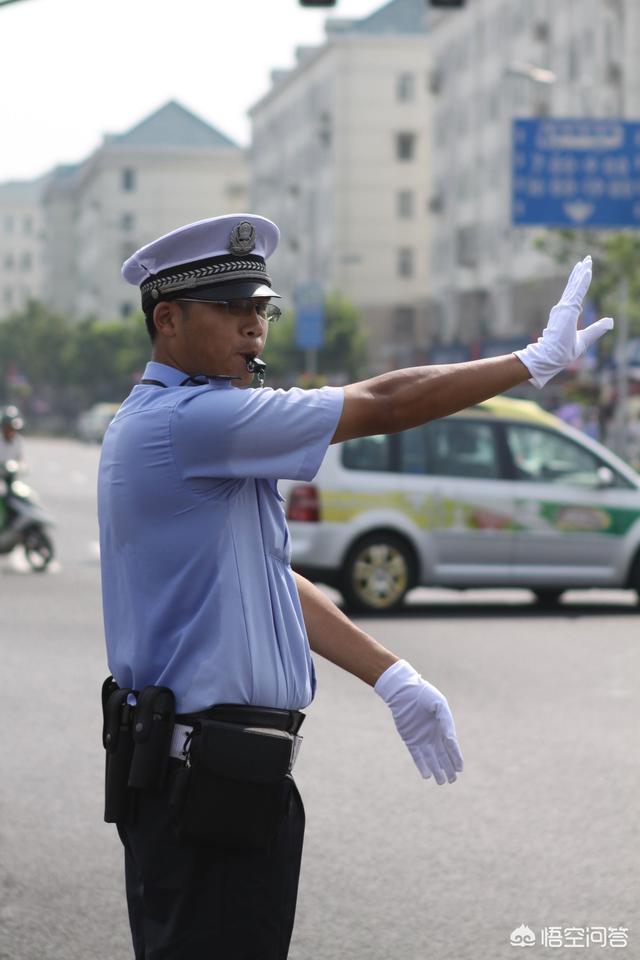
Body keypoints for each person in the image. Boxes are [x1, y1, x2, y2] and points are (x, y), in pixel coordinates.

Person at [98, 213, 613, 960]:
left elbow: (269, 580)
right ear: (167, 320)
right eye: (232, 309)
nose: (254, 328)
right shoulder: (189, 422)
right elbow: (388, 402)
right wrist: (527, 364)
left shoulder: (186, 425)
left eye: (261, 309)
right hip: (199, 784)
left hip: (222, 779)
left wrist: (393, 676)